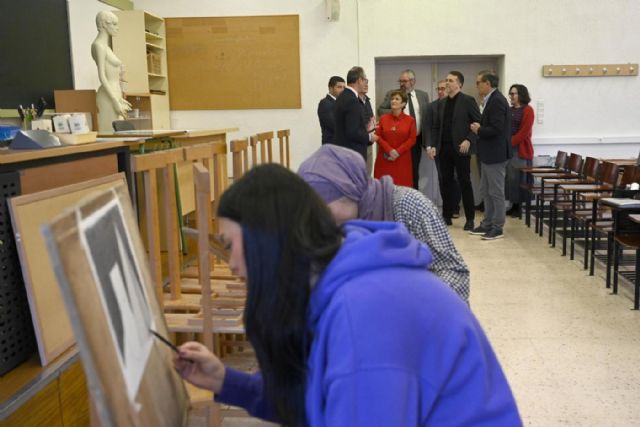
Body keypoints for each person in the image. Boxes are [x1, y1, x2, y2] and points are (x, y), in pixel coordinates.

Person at [174, 163, 521, 426]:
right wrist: (226, 381)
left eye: (233, 246)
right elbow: (317, 399)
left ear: (268, 241)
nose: (232, 265)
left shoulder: (364, 314)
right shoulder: (341, 279)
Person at [299, 144, 469, 303]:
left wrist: (406, 305)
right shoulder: (328, 228)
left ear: (352, 190)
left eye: (324, 205)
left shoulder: (408, 205)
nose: (320, 217)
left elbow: (455, 273)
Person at [430, 71, 481, 230]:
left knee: (464, 182)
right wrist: (433, 145)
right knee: (446, 182)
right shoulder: (442, 103)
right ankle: (447, 215)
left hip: (461, 148)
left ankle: (470, 218)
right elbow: (437, 127)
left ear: (459, 84)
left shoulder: (468, 101)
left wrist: (468, 140)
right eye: (446, 80)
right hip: (443, 148)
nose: (447, 83)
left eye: (450, 80)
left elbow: (478, 123)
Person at [470, 70, 512, 240]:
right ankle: (487, 223)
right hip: (488, 153)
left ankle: (497, 226)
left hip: (496, 154)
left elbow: (497, 128)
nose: (477, 85)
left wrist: (478, 129)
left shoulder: (497, 101)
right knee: (485, 191)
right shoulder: (490, 100)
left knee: (496, 192)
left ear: (487, 83)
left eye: (478, 82)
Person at [378, 70, 430, 190]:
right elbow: (381, 110)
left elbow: (426, 117)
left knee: (413, 171)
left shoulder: (423, 95)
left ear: (413, 81)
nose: (402, 83)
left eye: (404, 81)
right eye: (400, 81)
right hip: (396, 142)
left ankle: (413, 199)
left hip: (415, 140)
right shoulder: (392, 94)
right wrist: (397, 112)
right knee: (397, 171)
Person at [91, 10, 132, 132]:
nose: (117, 28)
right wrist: (114, 100)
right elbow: (102, 76)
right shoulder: (98, 46)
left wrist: (119, 98)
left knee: (119, 133)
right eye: (113, 24)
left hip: (115, 93)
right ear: (103, 24)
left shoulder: (106, 47)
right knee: (110, 133)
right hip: (108, 96)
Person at [373, 90, 416, 188]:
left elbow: (412, 139)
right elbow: (377, 136)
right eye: (392, 99)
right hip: (384, 159)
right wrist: (389, 150)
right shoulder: (383, 118)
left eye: (397, 99)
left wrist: (397, 152)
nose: (393, 101)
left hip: (402, 160)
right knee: (383, 188)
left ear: (403, 103)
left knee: (402, 188)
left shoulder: (410, 120)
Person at [333, 66, 378, 160]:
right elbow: (353, 132)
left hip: (343, 150)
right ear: (359, 80)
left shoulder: (342, 96)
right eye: (365, 80)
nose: (366, 83)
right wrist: (369, 137)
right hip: (352, 153)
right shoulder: (352, 100)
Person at [506, 84, 534, 217]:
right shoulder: (509, 109)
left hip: (520, 148)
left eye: (514, 93)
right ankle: (513, 204)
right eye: (510, 93)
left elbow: (524, 132)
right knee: (510, 179)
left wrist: (509, 143)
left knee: (519, 178)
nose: (511, 96)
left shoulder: (528, 110)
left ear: (521, 94)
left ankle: (519, 206)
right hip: (508, 147)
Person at [317, 76, 345, 145]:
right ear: (330, 88)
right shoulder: (325, 103)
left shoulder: (342, 102)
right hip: (332, 146)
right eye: (339, 87)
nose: (342, 90)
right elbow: (334, 125)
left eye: (344, 87)